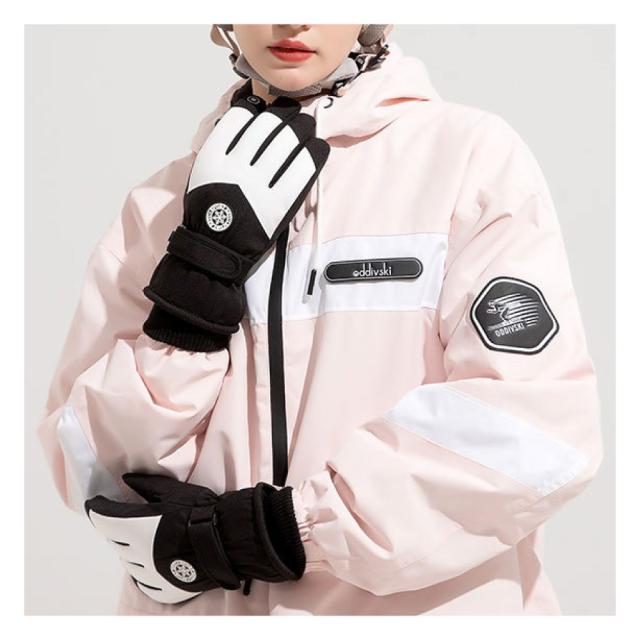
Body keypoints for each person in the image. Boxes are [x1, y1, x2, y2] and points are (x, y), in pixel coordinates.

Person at [37, 24, 603, 615]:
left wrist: (286, 530)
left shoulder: (464, 160)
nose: (293, 18)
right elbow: (87, 469)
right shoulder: (161, 204)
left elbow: (536, 425)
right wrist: (192, 302)